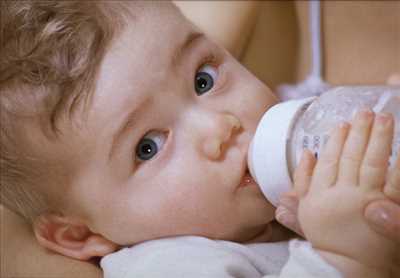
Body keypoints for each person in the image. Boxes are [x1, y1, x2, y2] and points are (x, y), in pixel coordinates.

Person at [1, 1, 399, 277]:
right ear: (81, 235)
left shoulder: (286, 183)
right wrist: (341, 259)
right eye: (147, 147)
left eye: (203, 79)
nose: (220, 128)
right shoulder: (169, 266)